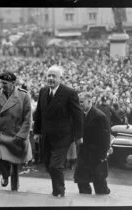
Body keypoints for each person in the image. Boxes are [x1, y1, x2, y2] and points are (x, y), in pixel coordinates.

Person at [33, 65, 82, 198]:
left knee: (56, 165)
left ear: (61, 78)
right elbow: (38, 114)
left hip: (63, 137)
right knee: (49, 165)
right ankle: (56, 189)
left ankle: (60, 190)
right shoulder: (43, 91)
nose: (50, 78)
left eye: (54, 76)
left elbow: (78, 117)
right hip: (47, 136)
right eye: (49, 75)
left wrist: (78, 136)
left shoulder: (69, 93)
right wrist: (37, 132)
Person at [0, 72, 32, 191]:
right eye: (1, 83)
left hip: (16, 134)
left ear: (13, 83)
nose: (2, 85)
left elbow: (28, 118)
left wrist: (22, 135)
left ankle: (14, 187)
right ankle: (5, 175)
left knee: (15, 163)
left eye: (5, 83)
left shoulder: (24, 96)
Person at [74, 92, 111, 195]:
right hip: (83, 153)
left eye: (81, 102)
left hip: (96, 155)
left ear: (89, 101)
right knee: (81, 182)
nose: (79, 104)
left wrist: (102, 156)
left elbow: (105, 139)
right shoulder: (80, 114)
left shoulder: (100, 116)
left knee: (100, 186)